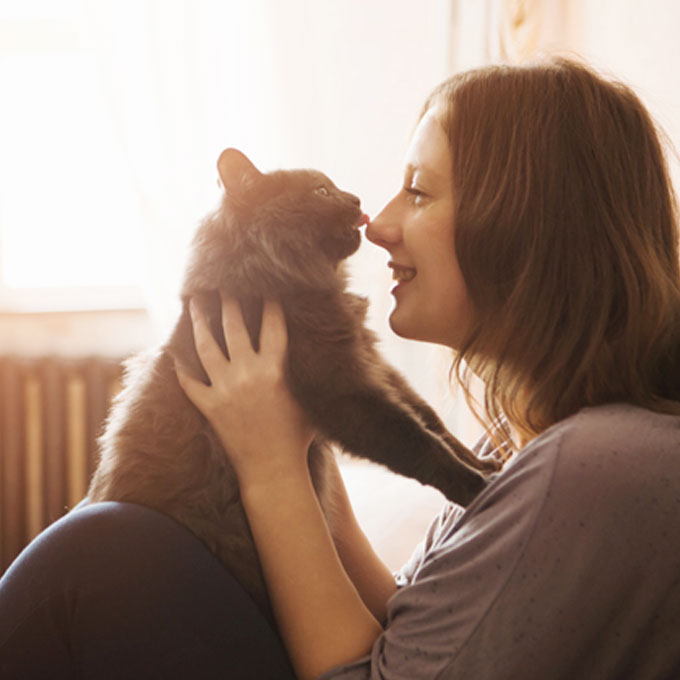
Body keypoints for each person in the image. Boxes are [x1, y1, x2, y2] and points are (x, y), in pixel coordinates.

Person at [1, 57, 679, 680]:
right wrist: (306, 462)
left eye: (417, 192)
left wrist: (270, 467)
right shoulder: (538, 444)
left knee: (97, 553)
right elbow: (415, 628)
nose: (377, 223)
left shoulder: (591, 461)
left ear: (526, 222)